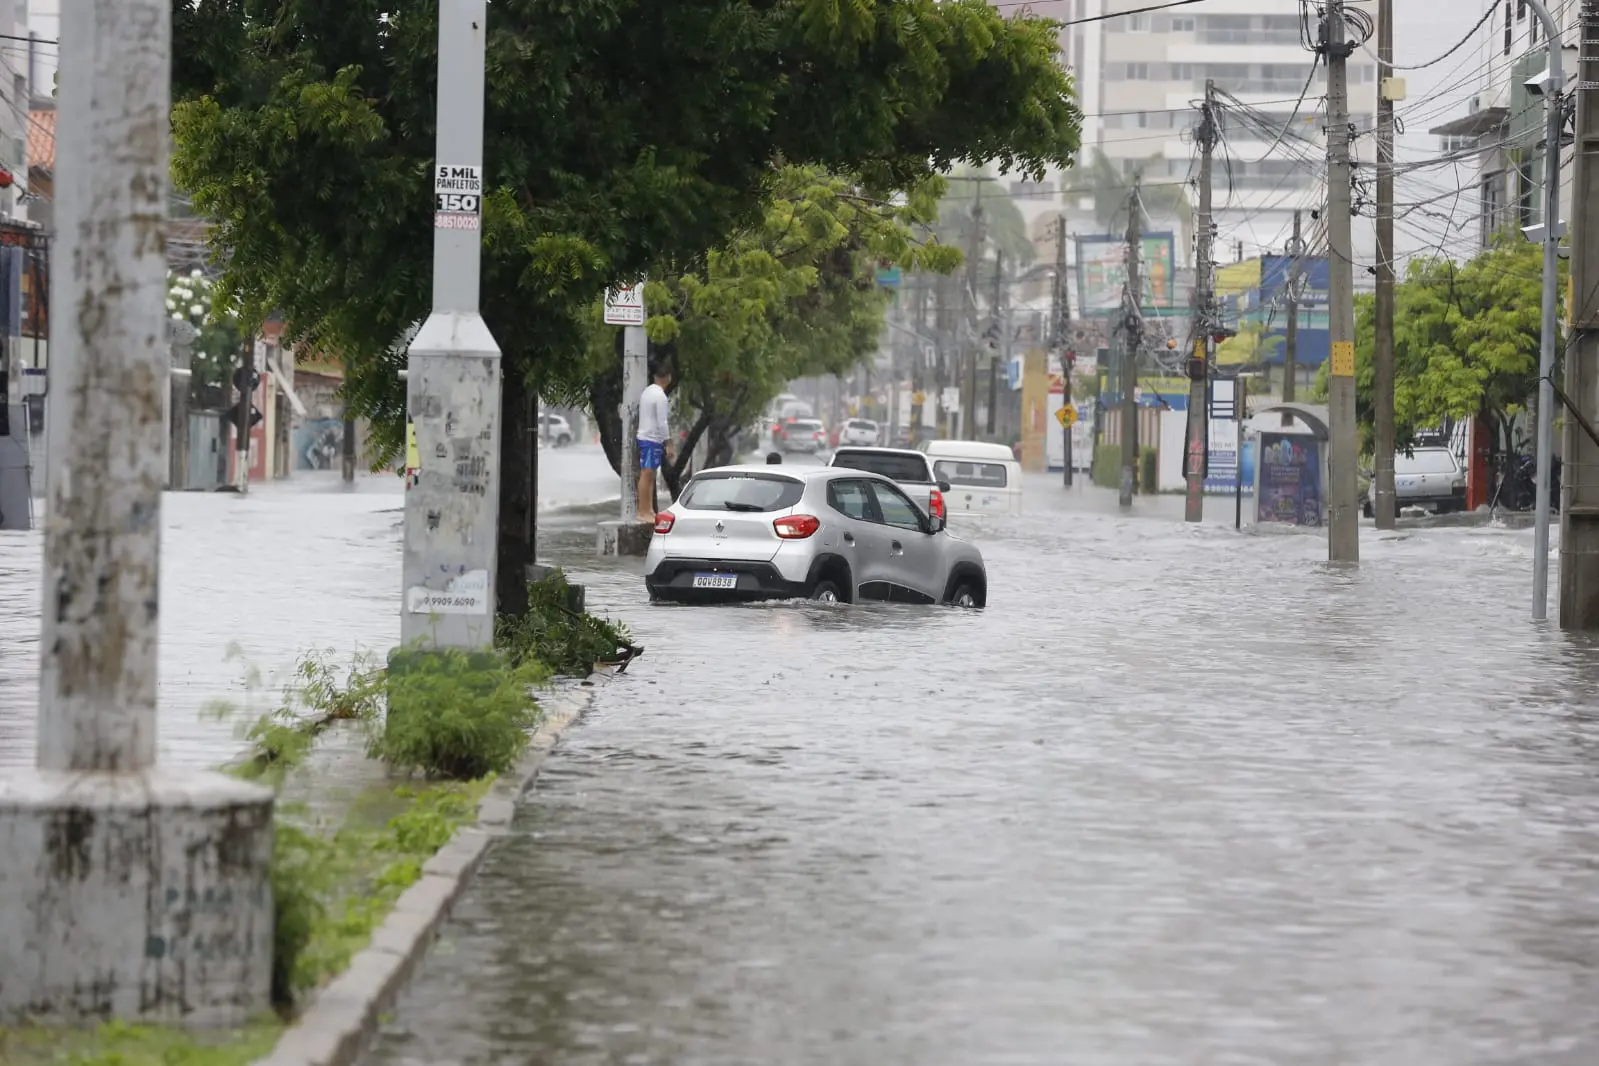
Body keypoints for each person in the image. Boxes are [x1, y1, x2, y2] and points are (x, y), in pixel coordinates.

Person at [637, 361, 673, 520]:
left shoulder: (647, 392)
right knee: (647, 474)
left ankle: (649, 509)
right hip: (651, 439)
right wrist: (669, 443)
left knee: (650, 475)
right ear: (668, 378)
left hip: (647, 437)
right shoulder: (660, 396)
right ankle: (643, 511)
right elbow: (662, 422)